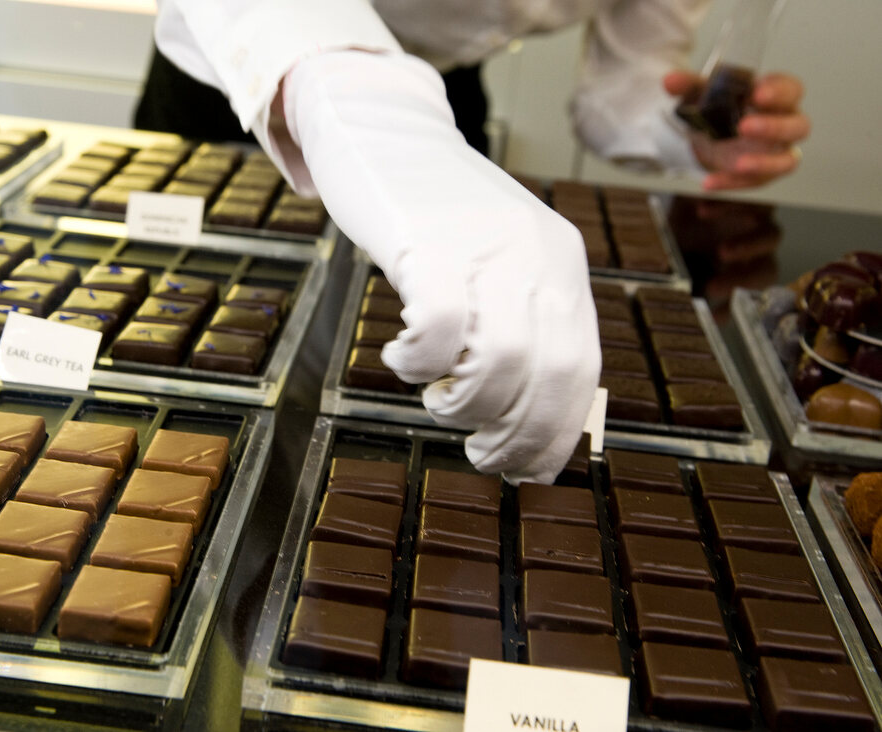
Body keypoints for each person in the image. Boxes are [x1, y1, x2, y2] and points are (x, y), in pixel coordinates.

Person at [141, 0, 809, 484]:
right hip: (247, 55)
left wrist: (674, 132)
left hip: (442, 90)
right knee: (198, 376)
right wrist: (370, 117)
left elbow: (622, 84)